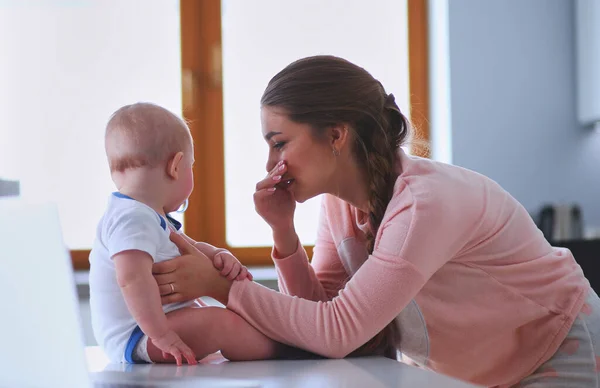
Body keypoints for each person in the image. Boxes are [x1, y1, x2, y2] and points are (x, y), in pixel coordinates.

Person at [152, 55, 600, 387]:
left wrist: (224, 288)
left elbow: (337, 331)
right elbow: (318, 312)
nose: (271, 163)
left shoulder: (424, 204)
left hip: (559, 346)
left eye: (280, 142)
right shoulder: (339, 205)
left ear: (335, 136)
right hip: (485, 366)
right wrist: (283, 233)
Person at [89, 102, 280, 365]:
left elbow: (186, 245)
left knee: (216, 316)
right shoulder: (131, 217)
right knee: (219, 322)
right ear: (176, 166)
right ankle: (280, 349)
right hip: (140, 335)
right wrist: (162, 335)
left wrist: (217, 255)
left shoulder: (144, 214)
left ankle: (271, 343)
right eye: (191, 166)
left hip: (149, 329)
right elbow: (131, 278)